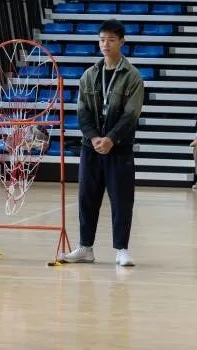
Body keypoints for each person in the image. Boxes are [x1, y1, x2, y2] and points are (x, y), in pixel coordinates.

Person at [60, 19, 144, 266]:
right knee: (87, 198)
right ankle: (85, 247)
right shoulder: (89, 75)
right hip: (91, 147)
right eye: (102, 39)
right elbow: (82, 111)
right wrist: (95, 137)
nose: (105, 44)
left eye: (111, 40)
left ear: (122, 42)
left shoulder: (132, 76)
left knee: (121, 200)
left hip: (119, 148)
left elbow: (131, 114)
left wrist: (111, 139)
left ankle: (121, 249)